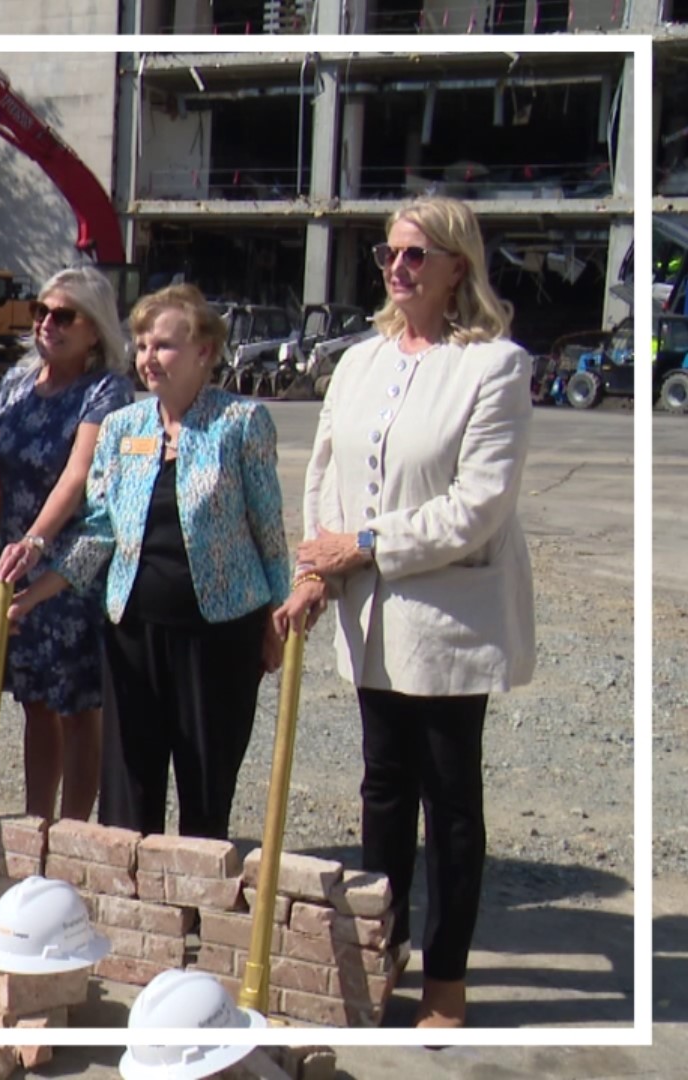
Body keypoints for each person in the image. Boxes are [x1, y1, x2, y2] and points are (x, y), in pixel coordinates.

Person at [276, 196, 535, 1029]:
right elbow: (325, 473)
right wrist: (320, 564)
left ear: (459, 264)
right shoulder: (360, 360)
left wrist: (363, 545)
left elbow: (477, 505)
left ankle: (448, 978)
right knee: (382, 788)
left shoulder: (495, 366)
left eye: (417, 254)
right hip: (369, 613)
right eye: (389, 253)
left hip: (445, 619)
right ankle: (378, 958)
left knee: (449, 801)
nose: (398, 267)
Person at [1, 283, 291, 841]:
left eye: (164, 346)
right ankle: (128, 914)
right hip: (134, 630)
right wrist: (32, 595)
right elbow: (101, 531)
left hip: (219, 633)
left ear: (204, 351)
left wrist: (277, 618)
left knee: (205, 787)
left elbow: (268, 533)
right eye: (140, 345)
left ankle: (197, 908)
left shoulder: (241, 424)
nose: (147, 358)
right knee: (129, 788)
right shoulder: (123, 428)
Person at [0, 267, 134, 821]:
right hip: (14, 560)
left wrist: (36, 541)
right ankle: (36, 822)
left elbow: (79, 473)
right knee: (34, 702)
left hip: (71, 563)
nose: (48, 323)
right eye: (41, 311)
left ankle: (71, 831)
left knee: (76, 706)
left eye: (64, 315)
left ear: (95, 329)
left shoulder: (106, 390)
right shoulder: (16, 382)